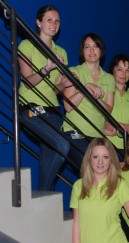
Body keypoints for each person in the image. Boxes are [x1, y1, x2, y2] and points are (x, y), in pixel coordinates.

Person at [18, 5, 71, 190]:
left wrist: (66, 82)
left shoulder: (61, 52)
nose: (54, 24)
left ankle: (43, 199)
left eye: (57, 20)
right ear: (39, 22)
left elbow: (57, 90)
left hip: (53, 110)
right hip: (30, 108)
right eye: (49, 19)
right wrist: (47, 68)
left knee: (51, 152)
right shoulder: (26, 45)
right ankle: (43, 194)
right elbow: (28, 81)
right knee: (61, 146)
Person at [70, 138, 129, 243]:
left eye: (105, 157)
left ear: (111, 160)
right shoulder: (78, 186)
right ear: (89, 159)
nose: (100, 162)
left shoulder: (120, 184)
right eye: (95, 157)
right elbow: (77, 223)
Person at [62, 32, 115, 167]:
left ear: (101, 50)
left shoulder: (109, 78)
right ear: (82, 51)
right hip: (75, 131)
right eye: (87, 46)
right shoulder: (74, 72)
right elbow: (68, 106)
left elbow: (108, 110)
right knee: (90, 168)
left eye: (95, 46)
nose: (92, 50)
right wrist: (84, 89)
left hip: (97, 136)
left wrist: (96, 98)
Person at [106, 54, 129, 161]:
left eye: (127, 70)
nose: (124, 74)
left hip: (127, 147)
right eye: (120, 69)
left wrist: (121, 127)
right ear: (113, 70)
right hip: (106, 145)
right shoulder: (105, 90)